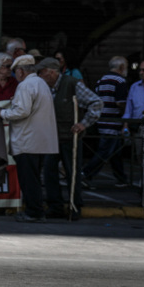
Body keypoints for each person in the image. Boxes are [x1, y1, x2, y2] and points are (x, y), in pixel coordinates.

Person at [0, 54, 57, 223]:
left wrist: (1, 113)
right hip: (42, 141)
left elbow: (22, 112)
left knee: (29, 180)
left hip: (28, 141)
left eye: (15, 71)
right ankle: (35, 210)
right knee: (34, 178)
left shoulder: (25, 86)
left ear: (20, 71)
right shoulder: (41, 83)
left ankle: (34, 212)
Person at [37, 58, 102, 218]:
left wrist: (83, 124)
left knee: (72, 173)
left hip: (70, 137)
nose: (39, 76)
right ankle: (55, 206)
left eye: (41, 72)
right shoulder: (45, 87)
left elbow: (96, 102)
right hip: (52, 137)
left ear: (51, 72)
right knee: (49, 171)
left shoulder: (72, 83)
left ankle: (75, 206)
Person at [81, 56, 131, 188]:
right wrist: (128, 112)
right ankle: (86, 174)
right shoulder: (120, 81)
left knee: (115, 150)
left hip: (102, 119)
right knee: (105, 151)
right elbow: (120, 103)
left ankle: (121, 177)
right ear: (121, 67)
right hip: (113, 120)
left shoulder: (101, 80)